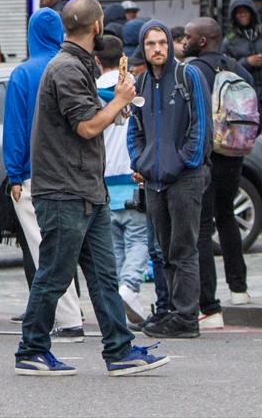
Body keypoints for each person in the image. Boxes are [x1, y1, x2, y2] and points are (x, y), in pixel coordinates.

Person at [14, 0, 168, 377]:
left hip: (87, 188)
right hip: (64, 190)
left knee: (102, 276)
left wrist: (115, 102)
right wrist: (120, 100)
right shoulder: (65, 67)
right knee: (54, 273)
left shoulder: (78, 63)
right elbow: (86, 126)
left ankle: (120, 349)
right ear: (97, 25)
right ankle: (31, 349)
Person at [3, 8, 84, 337]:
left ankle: (69, 319)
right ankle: (71, 315)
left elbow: (16, 130)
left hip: (34, 174)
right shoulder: (72, 68)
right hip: (73, 173)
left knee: (43, 247)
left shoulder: (23, 74)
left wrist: (14, 175)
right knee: (71, 247)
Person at [129, 21, 211, 340]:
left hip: (184, 178)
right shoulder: (141, 83)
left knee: (182, 247)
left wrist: (183, 161)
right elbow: (135, 128)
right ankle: (172, 311)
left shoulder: (188, 76)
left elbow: (201, 126)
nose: (158, 49)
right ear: (144, 48)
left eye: (162, 42)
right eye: (151, 44)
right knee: (164, 249)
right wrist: (141, 160)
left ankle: (187, 316)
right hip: (154, 179)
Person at [181, 17, 254, 328]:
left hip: (206, 157)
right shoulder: (237, 68)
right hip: (233, 155)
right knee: (227, 217)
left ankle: (207, 303)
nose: (183, 41)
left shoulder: (192, 71)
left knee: (201, 227)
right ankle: (239, 288)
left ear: (202, 41)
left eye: (187, 36)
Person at [94, 36, 150, 325]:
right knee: (139, 237)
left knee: (114, 244)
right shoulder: (134, 88)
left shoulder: (91, 91)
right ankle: (129, 287)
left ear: (96, 60)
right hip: (132, 175)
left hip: (102, 181)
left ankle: (119, 299)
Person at [223, 0, 262, 136]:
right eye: (238, 13)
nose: (242, 15)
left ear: (252, 12)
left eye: (245, 11)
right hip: (245, 100)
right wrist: (246, 62)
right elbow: (225, 71)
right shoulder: (229, 41)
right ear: (233, 16)